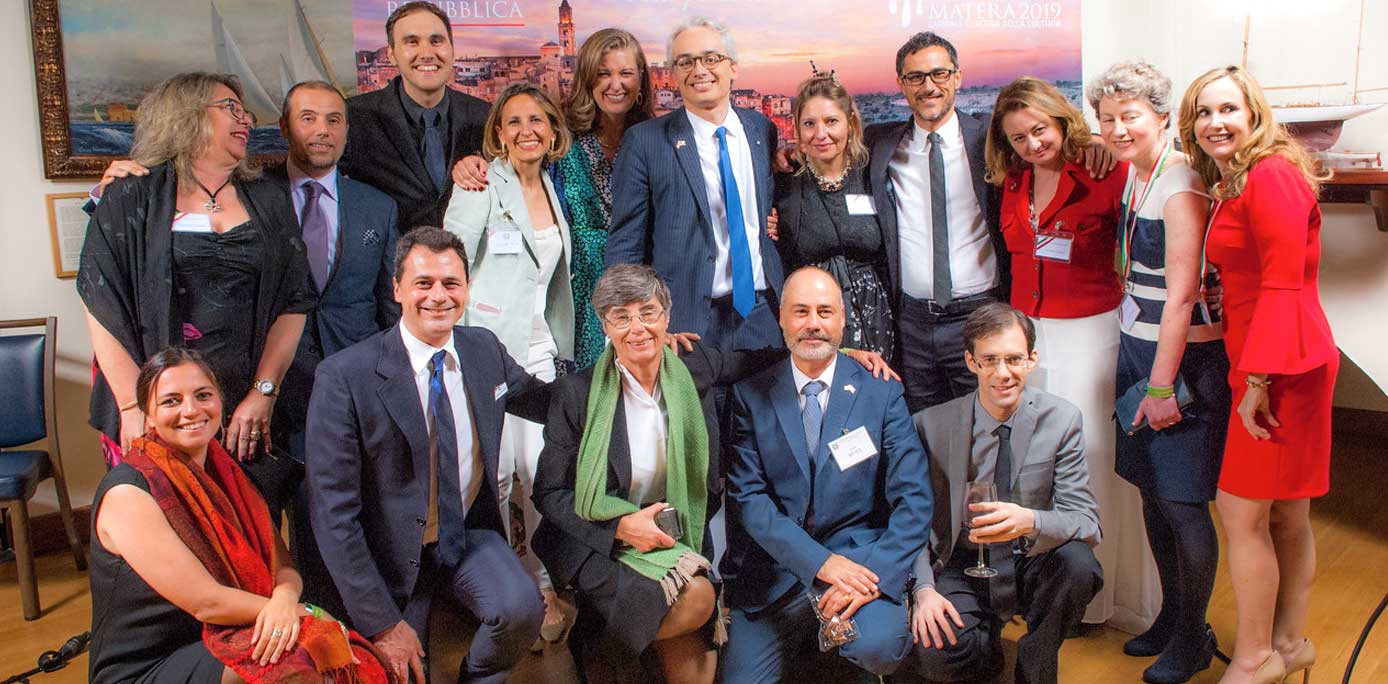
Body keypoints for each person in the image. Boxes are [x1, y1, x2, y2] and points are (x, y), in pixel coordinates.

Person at [306, 228, 554, 684]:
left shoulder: (484, 349)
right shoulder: (344, 376)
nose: (438, 296)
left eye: (450, 283)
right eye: (423, 283)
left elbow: (548, 403)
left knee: (522, 611)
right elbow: (333, 515)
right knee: (398, 674)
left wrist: (625, 362)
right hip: (387, 557)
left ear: (466, 289)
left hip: (465, 537)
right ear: (397, 288)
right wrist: (382, 623)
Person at [530, 264, 782, 684]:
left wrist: (833, 353)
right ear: (604, 325)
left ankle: (605, 643)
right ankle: (608, 653)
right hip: (599, 539)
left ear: (667, 317)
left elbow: (751, 362)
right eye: (621, 316)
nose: (637, 328)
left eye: (647, 312)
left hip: (674, 532)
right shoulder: (577, 394)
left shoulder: (691, 365)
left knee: (700, 671)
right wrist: (623, 527)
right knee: (698, 600)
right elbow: (549, 492)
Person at [77, 73, 314, 498]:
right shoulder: (132, 192)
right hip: (160, 406)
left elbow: (293, 302)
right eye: (230, 108)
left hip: (246, 403)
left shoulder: (270, 197)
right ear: (184, 115)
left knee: (251, 526)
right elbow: (101, 302)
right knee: (172, 525)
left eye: (245, 111)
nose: (245, 119)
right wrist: (135, 406)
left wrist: (264, 392)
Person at [88, 348, 385, 684]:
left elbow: (284, 567)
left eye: (203, 395)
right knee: (301, 654)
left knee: (330, 645)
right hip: (148, 664)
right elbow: (207, 603)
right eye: (171, 401)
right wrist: (303, 615)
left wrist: (287, 600)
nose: (191, 410)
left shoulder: (230, 474)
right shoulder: (129, 493)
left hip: (230, 629)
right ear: (149, 416)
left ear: (220, 402)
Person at [1178, 65, 1337, 684]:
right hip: (1282, 356)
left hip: (1279, 366)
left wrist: (1260, 383)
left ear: (1254, 114)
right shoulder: (1243, 176)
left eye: (1227, 110)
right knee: (1285, 515)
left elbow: (1278, 283)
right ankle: (1289, 644)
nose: (1216, 123)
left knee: (1241, 514)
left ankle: (1254, 658)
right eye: (1203, 113)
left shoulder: (1270, 175)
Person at [985, 75, 1151, 628]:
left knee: (1094, 459)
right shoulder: (1011, 182)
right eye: (1019, 138)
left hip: (1089, 332)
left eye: (1040, 130)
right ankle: (1041, 594)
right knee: (1033, 466)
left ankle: (1097, 595)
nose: (1033, 145)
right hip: (1028, 337)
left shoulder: (1106, 171)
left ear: (1060, 119)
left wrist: (1107, 143)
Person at [720, 267, 932, 681]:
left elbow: (915, 498)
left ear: (842, 320)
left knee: (878, 647)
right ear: (781, 317)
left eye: (824, 312)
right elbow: (749, 501)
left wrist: (878, 574)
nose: (813, 324)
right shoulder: (751, 395)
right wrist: (820, 563)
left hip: (859, 566)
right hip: (776, 572)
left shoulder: (881, 391)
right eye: (801, 312)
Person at [1089, 62, 1230, 684]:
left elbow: (1182, 295)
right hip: (1137, 347)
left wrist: (1162, 384)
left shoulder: (1179, 182)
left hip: (1178, 362)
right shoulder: (1135, 173)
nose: (1118, 128)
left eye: (1130, 117)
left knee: (1182, 502)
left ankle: (1195, 635)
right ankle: (1173, 619)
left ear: (1161, 117)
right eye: (1108, 118)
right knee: (1150, 489)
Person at [899, 303, 1102, 684]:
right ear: (970, 362)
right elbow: (911, 521)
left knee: (1079, 564)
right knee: (936, 653)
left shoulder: (1063, 420)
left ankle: (1035, 662)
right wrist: (924, 589)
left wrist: (1031, 520)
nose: (1002, 373)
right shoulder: (930, 425)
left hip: (1028, 560)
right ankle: (983, 649)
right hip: (961, 561)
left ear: (1032, 360)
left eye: (1013, 359)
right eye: (989, 360)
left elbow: (1087, 522)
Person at [443, 82, 575, 644]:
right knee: (491, 476)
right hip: (484, 350)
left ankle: (542, 579)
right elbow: (448, 266)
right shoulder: (479, 186)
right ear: (498, 132)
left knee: (543, 475)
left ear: (552, 131)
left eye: (538, 121)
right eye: (514, 121)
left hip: (540, 350)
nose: (527, 131)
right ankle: (500, 584)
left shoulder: (551, 184)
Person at [453, 28, 657, 370]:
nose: (615, 84)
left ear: (641, 81)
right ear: (587, 79)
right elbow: (516, 159)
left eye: (625, 73)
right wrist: (472, 162)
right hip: (571, 298)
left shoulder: (658, 141)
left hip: (638, 292)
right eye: (603, 73)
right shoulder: (562, 139)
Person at [604, 16, 784, 352]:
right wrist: (639, 323)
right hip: (684, 327)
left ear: (733, 67)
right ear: (673, 74)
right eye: (685, 62)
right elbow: (625, 244)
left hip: (764, 315)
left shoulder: (762, 130)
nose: (699, 70)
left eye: (711, 58)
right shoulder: (645, 142)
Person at [864, 32, 1007, 413]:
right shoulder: (881, 144)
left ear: (957, 77)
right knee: (922, 429)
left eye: (939, 74)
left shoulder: (991, 138)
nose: (929, 86)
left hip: (981, 313)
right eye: (915, 77)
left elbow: (1049, 135)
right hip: (912, 321)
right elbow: (825, 148)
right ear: (902, 84)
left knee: (986, 427)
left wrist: (1091, 144)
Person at [772, 72, 894, 360]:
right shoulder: (783, 182)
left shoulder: (873, 171)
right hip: (815, 322)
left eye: (831, 121)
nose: (821, 134)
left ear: (850, 124)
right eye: (809, 124)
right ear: (797, 129)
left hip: (878, 317)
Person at [340, 1, 490, 231]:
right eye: (412, 42)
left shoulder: (485, 116)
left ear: (452, 48)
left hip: (469, 263)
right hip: (390, 263)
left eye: (436, 41)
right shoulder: (355, 118)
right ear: (391, 54)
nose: (427, 54)